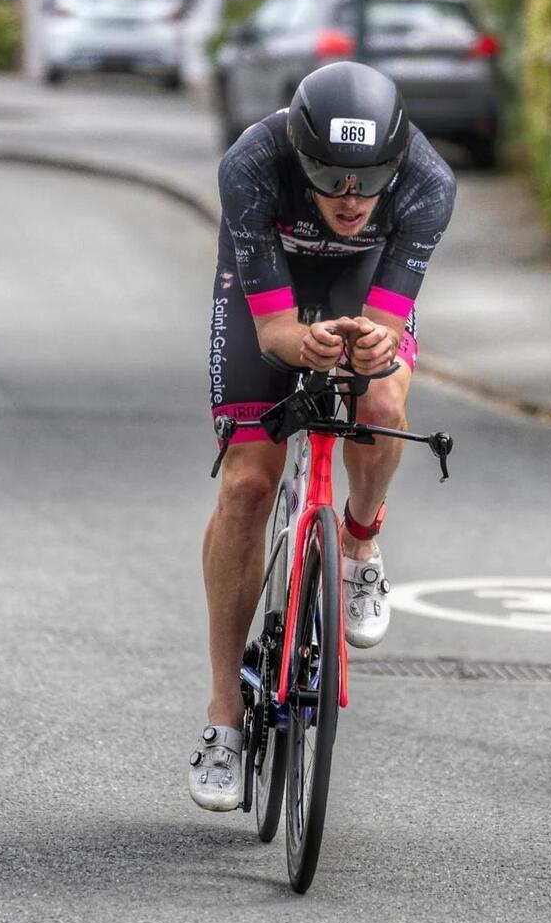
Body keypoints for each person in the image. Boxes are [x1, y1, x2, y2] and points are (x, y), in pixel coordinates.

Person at [191, 61, 456, 811]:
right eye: (332, 177)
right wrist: (298, 341)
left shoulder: (428, 184)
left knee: (380, 405)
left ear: (394, 164)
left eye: (367, 179)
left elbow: (386, 321)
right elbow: (274, 330)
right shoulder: (252, 164)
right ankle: (223, 718)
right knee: (247, 482)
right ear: (302, 159)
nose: (350, 197)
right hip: (268, 295)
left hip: (361, 289)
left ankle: (361, 543)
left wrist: (369, 348)